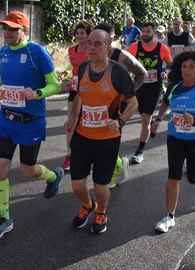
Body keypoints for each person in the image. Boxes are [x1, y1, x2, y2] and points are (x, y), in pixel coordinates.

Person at [0, 11, 62, 240]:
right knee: (0, 168)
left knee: (27, 170)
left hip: (31, 122)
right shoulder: (3, 52)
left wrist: (38, 92)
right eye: (5, 28)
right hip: (6, 120)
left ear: (24, 31)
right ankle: (5, 218)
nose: (7, 33)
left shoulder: (37, 52)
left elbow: (55, 84)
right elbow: (7, 80)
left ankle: (53, 177)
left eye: (12, 29)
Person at [65, 28, 138, 234]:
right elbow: (79, 95)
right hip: (82, 136)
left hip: (107, 139)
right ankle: (89, 206)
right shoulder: (83, 68)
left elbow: (133, 103)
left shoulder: (118, 72)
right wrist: (72, 116)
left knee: (100, 186)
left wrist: (120, 121)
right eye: (89, 43)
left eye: (98, 44)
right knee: (77, 185)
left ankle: (101, 211)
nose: (92, 47)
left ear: (108, 47)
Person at [151, 51, 195, 233]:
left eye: (191, 67)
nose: (186, 70)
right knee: (173, 175)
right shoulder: (174, 87)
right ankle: (169, 216)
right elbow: (165, 102)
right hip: (175, 137)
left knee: (191, 176)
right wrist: (158, 120)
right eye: (183, 66)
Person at [92, 22, 146, 189]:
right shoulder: (95, 54)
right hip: (97, 103)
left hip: (117, 105)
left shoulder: (122, 57)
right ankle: (118, 163)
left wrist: (126, 94)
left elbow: (142, 73)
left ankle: (113, 170)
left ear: (112, 39)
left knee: (110, 139)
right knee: (96, 139)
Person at [128, 22, 173, 164]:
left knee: (145, 119)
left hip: (154, 87)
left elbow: (170, 65)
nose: (145, 33)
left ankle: (139, 151)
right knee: (144, 117)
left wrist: (165, 72)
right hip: (139, 86)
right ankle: (153, 123)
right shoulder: (134, 47)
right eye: (143, 31)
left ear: (154, 33)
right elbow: (128, 65)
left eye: (148, 31)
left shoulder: (162, 48)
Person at [58, 20, 92, 171]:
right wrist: (65, 71)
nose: (79, 35)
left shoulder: (92, 49)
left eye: (82, 33)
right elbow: (73, 63)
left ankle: (90, 155)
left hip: (91, 89)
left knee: (88, 123)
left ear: (88, 35)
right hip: (75, 88)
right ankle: (69, 156)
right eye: (77, 33)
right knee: (70, 122)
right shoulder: (72, 50)